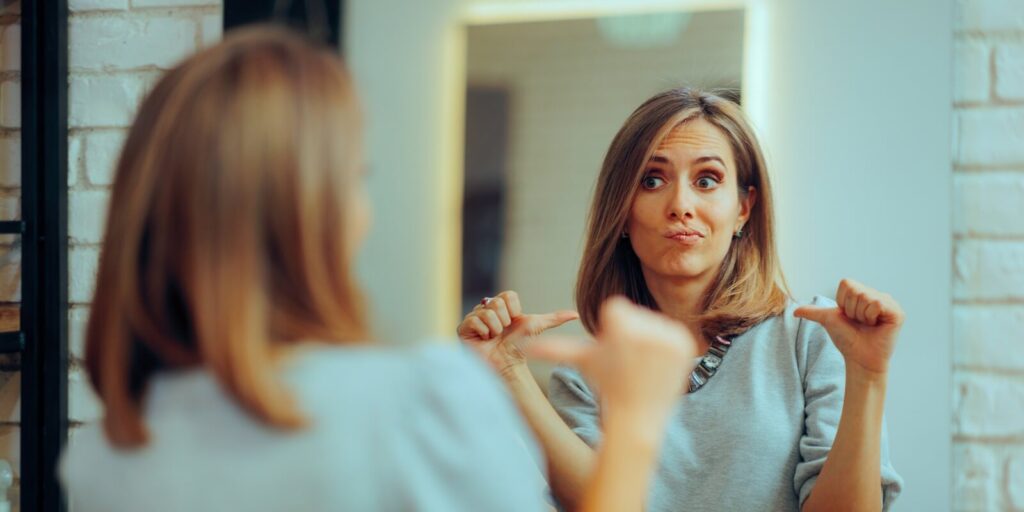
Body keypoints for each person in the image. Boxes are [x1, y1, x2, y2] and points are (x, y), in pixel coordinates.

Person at [59, 27, 699, 512]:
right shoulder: (418, 403)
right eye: (357, 178)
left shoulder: (104, 454)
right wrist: (638, 421)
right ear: (313, 209)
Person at [458, 87, 904, 511]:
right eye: (652, 180)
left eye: (707, 180)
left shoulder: (811, 339)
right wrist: (511, 372)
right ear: (623, 213)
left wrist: (868, 375)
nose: (681, 204)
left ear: (743, 209)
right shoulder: (586, 374)